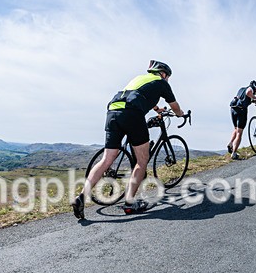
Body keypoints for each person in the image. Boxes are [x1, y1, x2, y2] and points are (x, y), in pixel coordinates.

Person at [72, 60, 185, 219]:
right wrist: (180, 114)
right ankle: (130, 203)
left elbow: (137, 94)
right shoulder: (161, 83)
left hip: (113, 111)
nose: (167, 80)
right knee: (142, 161)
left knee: (106, 159)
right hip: (132, 114)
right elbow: (174, 106)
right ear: (164, 74)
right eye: (168, 77)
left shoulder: (140, 79)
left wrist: (156, 109)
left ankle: (81, 197)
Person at [227, 80, 256, 160]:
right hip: (241, 111)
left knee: (236, 129)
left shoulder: (241, 89)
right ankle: (234, 153)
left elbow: (245, 97)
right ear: (255, 88)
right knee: (239, 132)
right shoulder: (250, 89)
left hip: (233, 109)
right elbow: (249, 93)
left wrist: (255, 100)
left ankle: (230, 143)